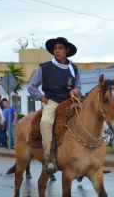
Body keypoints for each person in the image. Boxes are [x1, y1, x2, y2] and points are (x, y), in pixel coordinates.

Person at [28, 37, 80, 174]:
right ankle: (49, 158)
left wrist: (76, 90)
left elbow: (78, 85)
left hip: (70, 102)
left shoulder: (73, 68)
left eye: (60, 48)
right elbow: (32, 87)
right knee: (45, 122)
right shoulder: (44, 68)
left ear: (66, 50)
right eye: (55, 48)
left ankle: (90, 156)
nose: (57, 51)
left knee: (89, 118)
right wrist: (42, 98)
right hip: (52, 102)